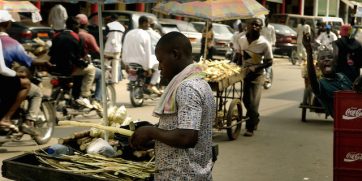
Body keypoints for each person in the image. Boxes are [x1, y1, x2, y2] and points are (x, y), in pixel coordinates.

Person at [130, 32, 215, 180]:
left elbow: (186, 137)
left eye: (161, 61)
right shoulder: (200, 83)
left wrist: (151, 132)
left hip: (181, 175)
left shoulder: (188, 88)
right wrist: (155, 140)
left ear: (175, 54)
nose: (160, 67)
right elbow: (181, 128)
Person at [0, 10, 46, 133]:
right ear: (7, 24)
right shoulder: (12, 44)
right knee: (34, 91)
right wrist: (45, 63)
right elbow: (27, 61)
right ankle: (26, 122)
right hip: (4, 81)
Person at [49, 16, 96, 109]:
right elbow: (81, 56)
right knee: (91, 70)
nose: (79, 28)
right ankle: (85, 96)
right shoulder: (78, 38)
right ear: (74, 26)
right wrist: (84, 62)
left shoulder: (56, 36)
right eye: (78, 25)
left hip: (56, 69)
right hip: (70, 70)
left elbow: (51, 53)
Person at [237, 18, 273, 137]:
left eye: (257, 25)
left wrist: (256, 67)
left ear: (261, 28)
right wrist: (235, 66)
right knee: (246, 100)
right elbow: (239, 56)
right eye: (252, 24)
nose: (254, 27)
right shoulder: (241, 39)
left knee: (253, 102)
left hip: (257, 75)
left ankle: (250, 128)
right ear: (247, 26)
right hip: (245, 73)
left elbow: (269, 62)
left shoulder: (264, 43)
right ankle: (255, 117)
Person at [303, 34, 353, 117]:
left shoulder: (342, 76)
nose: (326, 59)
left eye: (330, 57)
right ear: (318, 65)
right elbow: (312, 78)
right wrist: (309, 52)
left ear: (335, 62)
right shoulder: (321, 85)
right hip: (343, 123)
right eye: (322, 58)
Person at [122, 16, 161, 95]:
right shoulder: (145, 34)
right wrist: (149, 68)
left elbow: (124, 48)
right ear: (143, 23)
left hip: (129, 61)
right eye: (147, 23)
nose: (148, 25)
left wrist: (125, 64)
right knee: (159, 67)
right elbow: (147, 52)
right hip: (141, 61)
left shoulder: (129, 33)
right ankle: (151, 85)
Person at [75, 14, 102, 110]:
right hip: (78, 66)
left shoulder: (69, 34)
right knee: (100, 74)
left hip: (64, 67)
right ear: (86, 25)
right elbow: (98, 50)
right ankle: (96, 100)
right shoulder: (86, 36)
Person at [104, 14, 125, 83]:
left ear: (111, 19)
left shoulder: (109, 25)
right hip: (118, 48)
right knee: (115, 64)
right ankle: (114, 80)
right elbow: (122, 39)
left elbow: (105, 37)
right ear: (117, 19)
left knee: (106, 64)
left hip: (109, 48)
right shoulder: (122, 27)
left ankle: (105, 78)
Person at [260, 17, 276, 88]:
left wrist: (273, 44)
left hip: (269, 47)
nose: (266, 22)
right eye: (265, 21)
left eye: (267, 21)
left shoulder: (271, 28)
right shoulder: (262, 28)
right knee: (260, 61)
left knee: (269, 63)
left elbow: (273, 36)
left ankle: (267, 78)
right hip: (262, 46)